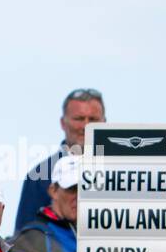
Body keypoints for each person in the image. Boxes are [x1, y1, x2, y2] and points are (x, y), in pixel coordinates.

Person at [10, 156, 104, 252]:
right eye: (72, 189)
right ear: (53, 191)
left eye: (84, 188)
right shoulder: (35, 237)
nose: (78, 196)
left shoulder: (87, 234)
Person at [12, 88, 106, 232]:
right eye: (79, 119)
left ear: (104, 123)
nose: (85, 126)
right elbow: (23, 241)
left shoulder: (121, 172)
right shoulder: (39, 176)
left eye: (93, 119)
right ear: (63, 123)